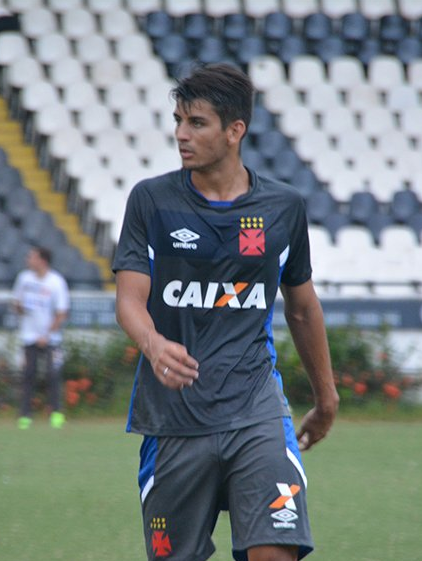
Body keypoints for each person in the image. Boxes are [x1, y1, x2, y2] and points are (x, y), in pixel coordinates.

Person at [113, 63, 340, 561]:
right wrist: (153, 344)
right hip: (173, 419)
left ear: (235, 130)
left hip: (255, 408)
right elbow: (129, 299)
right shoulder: (151, 201)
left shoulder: (284, 207)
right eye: (178, 120)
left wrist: (326, 399)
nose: (180, 134)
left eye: (196, 123)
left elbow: (302, 309)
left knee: (274, 553)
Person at [11, 245, 70, 430]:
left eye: (32, 257)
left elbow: (61, 312)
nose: (28, 260)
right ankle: (25, 416)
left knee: (53, 375)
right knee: (28, 375)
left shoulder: (56, 282)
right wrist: (19, 307)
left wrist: (48, 334)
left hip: (51, 339)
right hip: (29, 336)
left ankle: (56, 413)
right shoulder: (24, 278)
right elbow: (16, 303)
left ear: (42, 260)